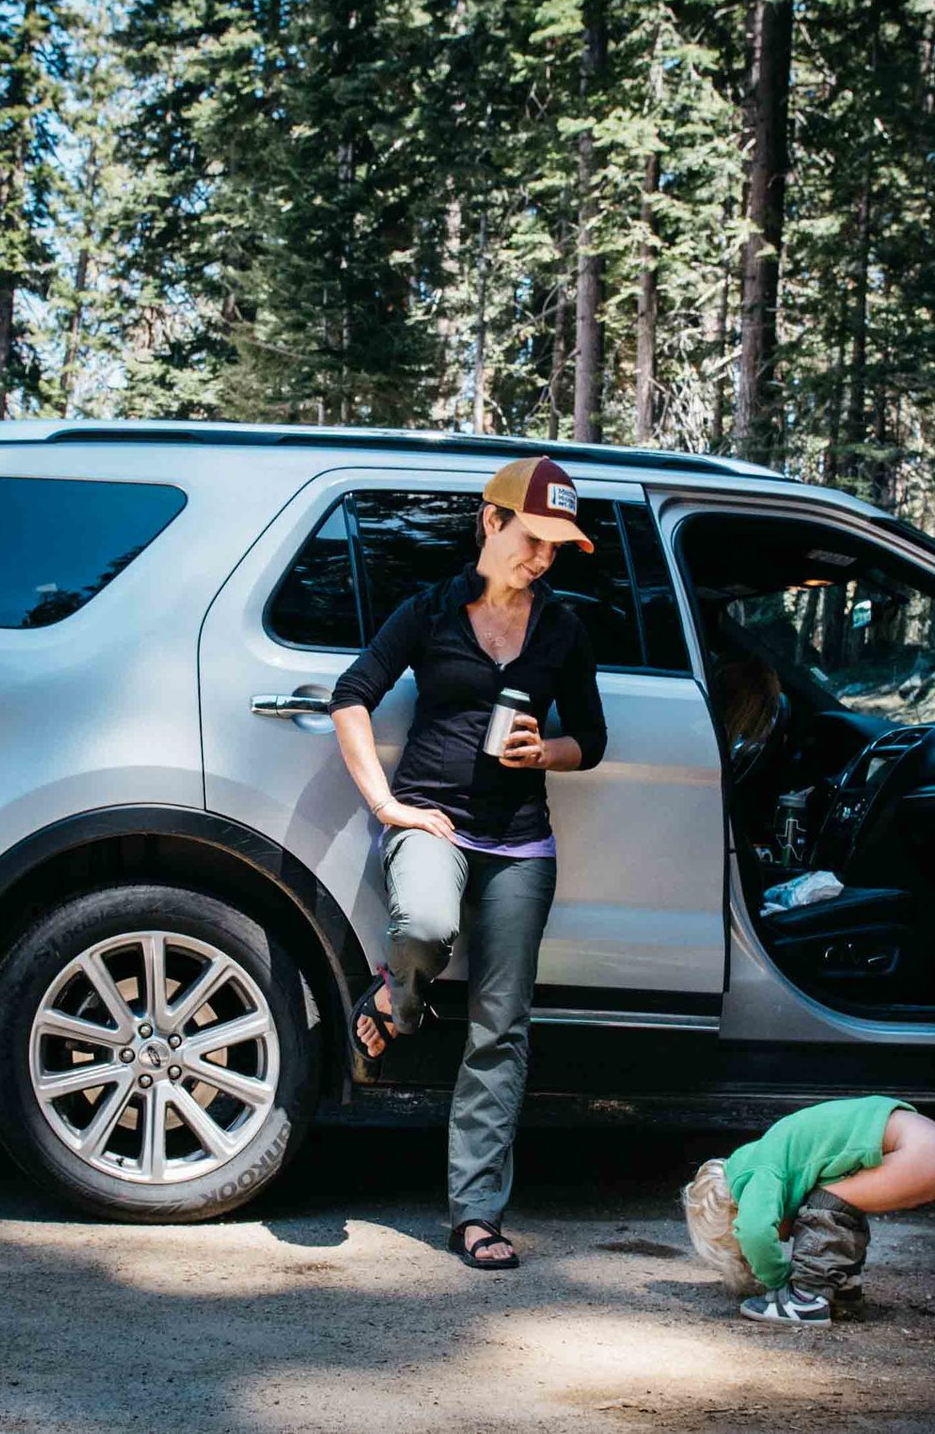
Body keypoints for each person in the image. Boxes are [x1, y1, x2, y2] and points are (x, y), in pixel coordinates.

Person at [328, 456, 608, 1271]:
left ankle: (476, 1214)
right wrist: (388, 806)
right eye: (532, 538)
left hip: (522, 841)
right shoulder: (429, 612)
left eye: (556, 546)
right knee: (422, 923)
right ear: (490, 523)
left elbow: (591, 737)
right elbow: (351, 694)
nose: (542, 557)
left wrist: (543, 750)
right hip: (434, 823)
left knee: (500, 1025)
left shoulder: (562, 626)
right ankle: (396, 998)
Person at [682, 1096, 935, 1325]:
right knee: (842, 1202)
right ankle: (842, 1291)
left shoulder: (757, 1171)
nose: (782, 1239)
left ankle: (803, 1297)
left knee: (825, 1204)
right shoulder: (786, 1150)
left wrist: (779, 1280)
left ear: (735, 1209)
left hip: (924, 1151)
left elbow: (754, 1231)